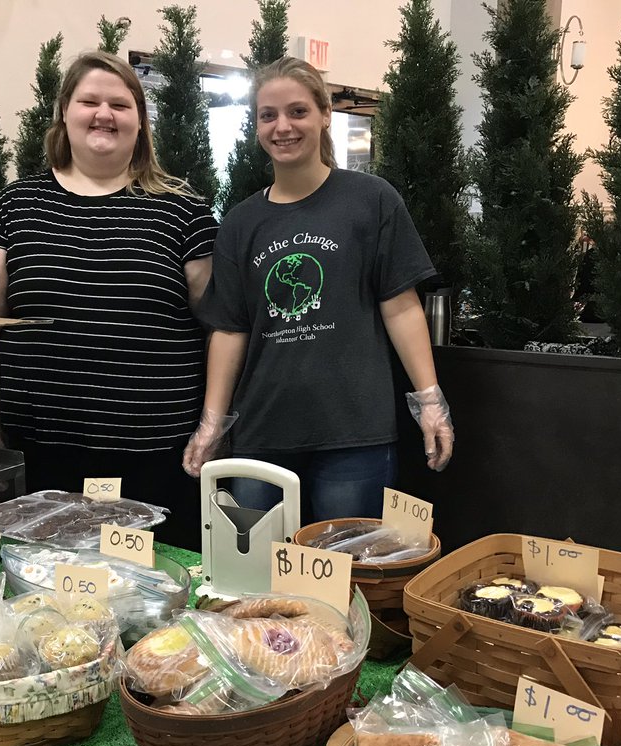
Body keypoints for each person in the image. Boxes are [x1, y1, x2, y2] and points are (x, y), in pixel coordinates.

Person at [0, 52, 217, 548]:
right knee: (44, 597)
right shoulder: (12, 207)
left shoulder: (183, 211)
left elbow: (221, 325)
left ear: (140, 121)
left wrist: (212, 425)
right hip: (42, 452)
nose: (104, 114)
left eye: (120, 104)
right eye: (89, 101)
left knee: (153, 598)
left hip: (159, 453)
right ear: (64, 113)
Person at [183, 57, 454, 522]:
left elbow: (401, 307)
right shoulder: (240, 222)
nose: (282, 126)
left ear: (325, 114)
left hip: (354, 433)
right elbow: (229, 330)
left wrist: (429, 400)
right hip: (262, 433)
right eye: (268, 115)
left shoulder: (372, 201)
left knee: (347, 574)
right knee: (254, 580)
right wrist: (213, 422)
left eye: (297, 111)